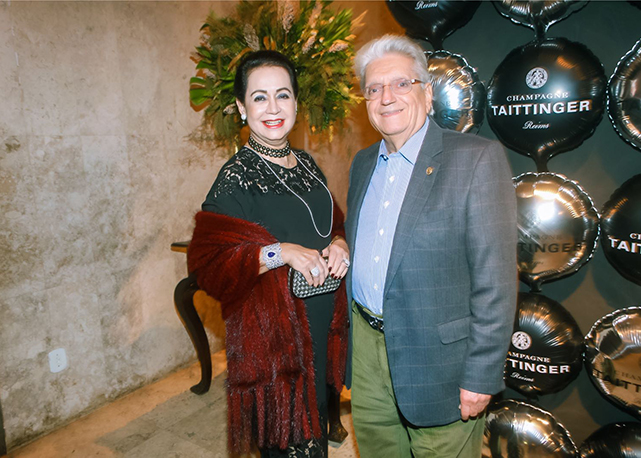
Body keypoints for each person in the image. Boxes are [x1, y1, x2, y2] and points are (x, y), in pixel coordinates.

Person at [345, 35, 517, 457]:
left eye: (401, 84)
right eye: (373, 88)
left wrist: (480, 375)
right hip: (367, 352)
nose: (386, 97)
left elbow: (496, 282)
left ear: (427, 92)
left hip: (440, 364)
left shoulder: (476, 159)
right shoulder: (362, 163)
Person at [187, 50, 350, 458]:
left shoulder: (307, 163)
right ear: (242, 108)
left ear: (296, 102)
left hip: (318, 328)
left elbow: (332, 222)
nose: (273, 108)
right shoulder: (236, 176)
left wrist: (340, 242)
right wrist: (281, 252)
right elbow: (207, 264)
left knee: (317, 443)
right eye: (259, 97)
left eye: (283, 95)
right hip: (277, 349)